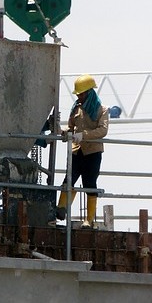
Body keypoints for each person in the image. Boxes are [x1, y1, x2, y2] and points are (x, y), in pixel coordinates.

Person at [55, 74, 109, 229]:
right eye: (78, 94)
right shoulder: (76, 109)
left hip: (93, 152)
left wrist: (83, 136)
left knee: (90, 183)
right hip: (77, 151)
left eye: (81, 93)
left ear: (89, 93)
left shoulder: (102, 110)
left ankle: (89, 219)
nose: (78, 96)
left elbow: (102, 131)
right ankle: (61, 209)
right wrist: (64, 132)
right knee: (68, 180)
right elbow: (71, 128)